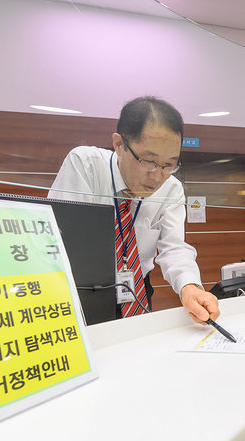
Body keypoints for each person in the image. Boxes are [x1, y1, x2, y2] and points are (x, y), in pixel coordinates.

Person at [49, 96, 219, 323]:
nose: (158, 176)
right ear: (119, 145)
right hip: (82, 290)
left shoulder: (171, 188)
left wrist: (190, 287)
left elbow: (174, 248)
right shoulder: (86, 165)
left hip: (137, 289)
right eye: (149, 161)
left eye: (169, 165)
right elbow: (60, 240)